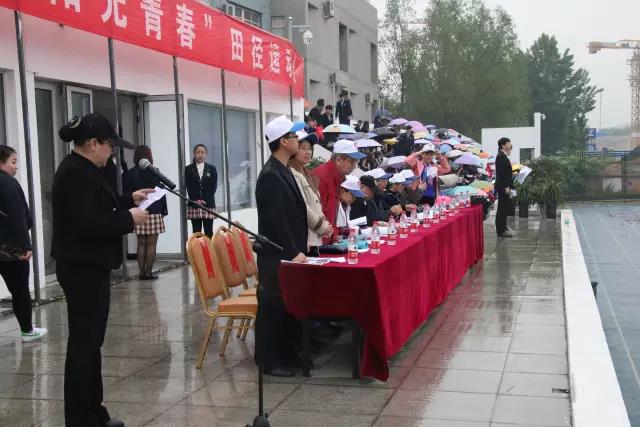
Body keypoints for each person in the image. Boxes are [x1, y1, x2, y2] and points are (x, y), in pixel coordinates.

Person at [52, 113, 150, 427]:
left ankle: (92, 411)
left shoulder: (86, 169)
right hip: (82, 268)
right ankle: (82, 417)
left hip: (91, 266)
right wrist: (129, 219)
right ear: (93, 143)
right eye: (110, 145)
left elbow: (99, 207)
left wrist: (128, 199)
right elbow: (89, 223)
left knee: (90, 343)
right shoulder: (74, 173)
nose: (112, 152)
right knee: (84, 344)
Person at [255, 115, 308, 378]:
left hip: (289, 252)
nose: (298, 140)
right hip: (276, 254)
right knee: (272, 306)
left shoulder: (284, 169)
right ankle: (269, 361)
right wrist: (292, 251)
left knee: (285, 305)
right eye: (294, 136)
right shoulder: (270, 176)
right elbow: (275, 221)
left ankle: (287, 354)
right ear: (283, 142)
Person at [0, 145, 47, 342]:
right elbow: (18, 218)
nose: (16, 166)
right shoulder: (8, 184)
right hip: (11, 249)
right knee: (20, 290)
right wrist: (26, 246)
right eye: (13, 162)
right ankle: (27, 331)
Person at [122, 146, 168, 280]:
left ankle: (141, 273)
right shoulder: (155, 171)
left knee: (141, 243)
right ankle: (149, 273)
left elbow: (126, 193)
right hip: (154, 211)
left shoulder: (130, 173)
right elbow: (162, 192)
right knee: (152, 244)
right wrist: (164, 210)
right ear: (149, 156)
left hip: (138, 212)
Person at [289, 130, 332, 257]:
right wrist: (323, 227)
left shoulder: (307, 173)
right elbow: (303, 208)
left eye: (309, 148)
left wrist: (326, 224)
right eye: (303, 148)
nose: (308, 152)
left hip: (315, 238)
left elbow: (315, 203)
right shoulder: (292, 174)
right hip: (306, 240)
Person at [312, 139, 365, 240]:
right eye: (352, 162)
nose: (354, 166)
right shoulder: (322, 176)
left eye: (356, 162)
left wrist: (335, 235)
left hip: (326, 239)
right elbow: (317, 214)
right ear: (339, 160)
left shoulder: (337, 178)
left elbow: (331, 216)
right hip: (319, 241)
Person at [185, 144, 218, 238]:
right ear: (194, 154)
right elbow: (188, 186)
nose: (200, 154)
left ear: (206, 154)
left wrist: (205, 200)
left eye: (202, 152)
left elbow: (213, 186)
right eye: (198, 152)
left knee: (209, 232)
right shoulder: (188, 169)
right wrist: (196, 200)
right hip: (194, 204)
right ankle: (197, 248)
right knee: (196, 232)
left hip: (208, 204)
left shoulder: (212, 168)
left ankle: (209, 248)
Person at [495, 137, 514, 237]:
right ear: (503, 145)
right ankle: (501, 230)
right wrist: (506, 187)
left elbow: (506, 172)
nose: (510, 145)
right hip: (503, 187)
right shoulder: (501, 156)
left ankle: (504, 226)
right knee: (502, 208)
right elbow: (501, 174)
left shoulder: (503, 156)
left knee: (504, 207)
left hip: (505, 186)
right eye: (508, 143)